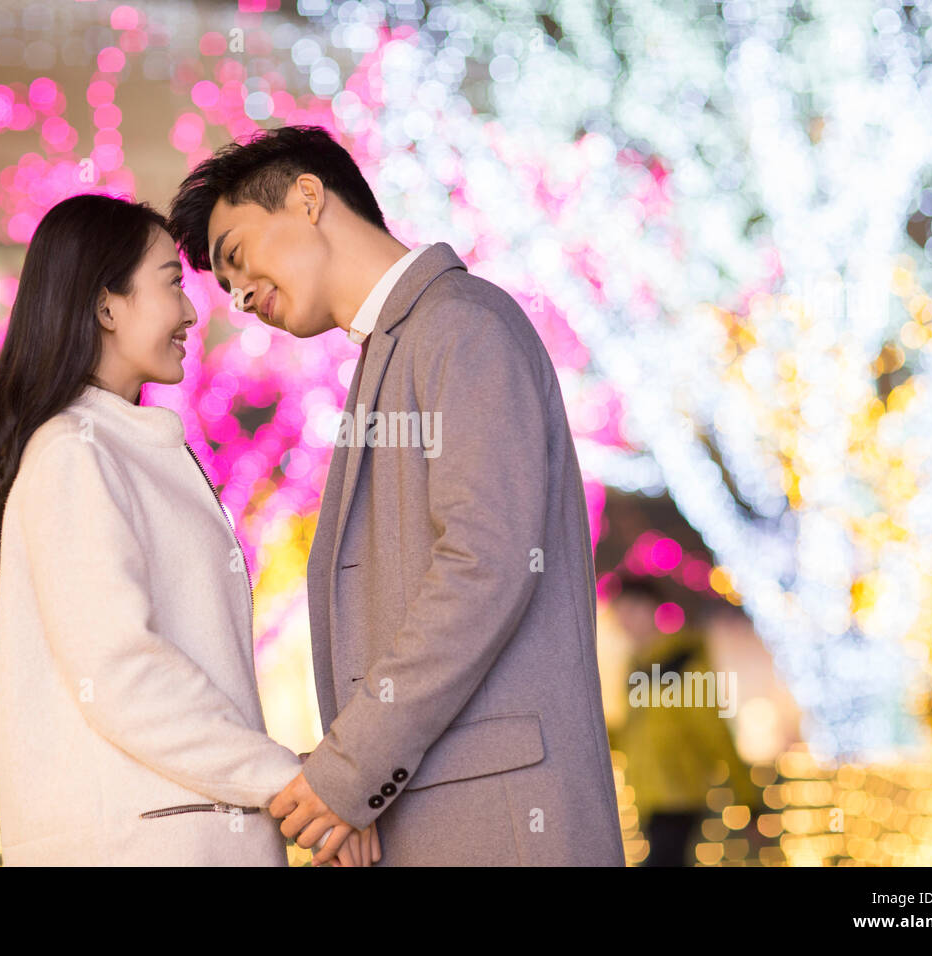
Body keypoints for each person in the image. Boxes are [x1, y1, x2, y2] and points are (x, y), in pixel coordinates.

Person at [168, 125, 627, 865]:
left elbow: (485, 563)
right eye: (225, 286)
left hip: (501, 821)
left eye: (236, 258)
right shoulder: (398, 350)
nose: (240, 296)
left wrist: (349, 771)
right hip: (455, 814)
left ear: (307, 198)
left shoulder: (461, 326)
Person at [0, 193, 374, 865]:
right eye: (172, 283)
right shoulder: (75, 452)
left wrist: (288, 778)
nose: (191, 311)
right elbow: (122, 672)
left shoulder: (114, 446)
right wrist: (288, 781)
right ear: (107, 304)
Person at [608, 572, 761, 866]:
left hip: (680, 798)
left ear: (652, 608)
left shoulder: (684, 661)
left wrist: (749, 800)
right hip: (649, 798)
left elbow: (714, 731)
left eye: (631, 611)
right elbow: (632, 734)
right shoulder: (637, 665)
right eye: (619, 613)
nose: (625, 622)